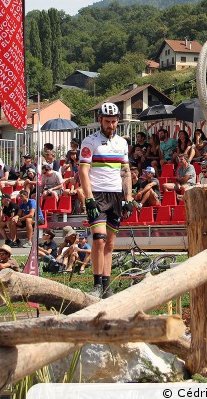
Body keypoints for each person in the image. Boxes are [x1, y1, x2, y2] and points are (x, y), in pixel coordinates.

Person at [79, 102, 134, 299]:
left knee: (110, 243)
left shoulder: (122, 143)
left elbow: (125, 171)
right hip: (98, 194)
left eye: (114, 121)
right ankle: (96, 284)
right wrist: (89, 198)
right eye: (107, 121)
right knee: (99, 239)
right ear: (100, 120)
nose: (111, 125)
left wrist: (128, 198)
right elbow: (83, 171)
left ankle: (107, 285)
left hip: (116, 195)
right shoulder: (89, 141)